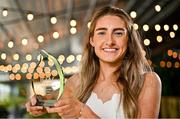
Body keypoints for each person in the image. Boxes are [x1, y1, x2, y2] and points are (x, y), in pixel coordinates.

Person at [26, 6, 162, 118]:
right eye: (102, 33)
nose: (109, 41)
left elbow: (79, 110)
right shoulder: (75, 82)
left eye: (118, 33)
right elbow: (55, 100)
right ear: (92, 40)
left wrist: (83, 112)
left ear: (129, 40)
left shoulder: (148, 81)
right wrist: (40, 103)